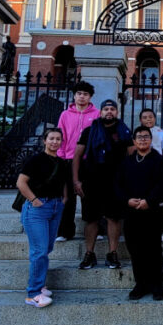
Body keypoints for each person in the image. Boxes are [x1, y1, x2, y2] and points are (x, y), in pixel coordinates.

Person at [73, 98, 133, 270]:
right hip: (91, 180)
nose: (109, 112)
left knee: (114, 218)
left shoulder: (124, 132)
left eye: (112, 109)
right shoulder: (89, 131)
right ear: (100, 112)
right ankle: (89, 253)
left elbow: (131, 157)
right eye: (106, 109)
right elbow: (77, 156)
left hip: (116, 182)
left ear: (117, 112)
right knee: (91, 218)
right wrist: (76, 180)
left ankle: (112, 253)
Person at [116, 125, 163, 301]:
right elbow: (117, 185)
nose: (142, 140)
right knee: (135, 248)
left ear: (150, 139)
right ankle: (141, 284)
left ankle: (157, 285)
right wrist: (127, 200)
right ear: (134, 141)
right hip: (132, 212)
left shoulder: (158, 161)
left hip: (153, 212)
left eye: (146, 137)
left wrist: (149, 201)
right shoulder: (127, 162)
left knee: (153, 248)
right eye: (139, 137)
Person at [16, 127, 71, 308]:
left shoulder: (61, 163)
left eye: (58, 139)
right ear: (44, 141)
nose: (55, 142)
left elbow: (63, 182)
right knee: (39, 250)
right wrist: (34, 200)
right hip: (37, 209)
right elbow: (21, 182)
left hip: (55, 206)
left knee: (47, 247)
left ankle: (40, 284)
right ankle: (33, 293)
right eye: (51, 139)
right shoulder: (35, 160)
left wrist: (63, 199)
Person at [55, 81, 98, 242]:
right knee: (68, 197)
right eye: (79, 93)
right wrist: (61, 155)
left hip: (88, 162)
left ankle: (97, 228)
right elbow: (61, 136)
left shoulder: (96, 114)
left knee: (91, 196)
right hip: (68, 159)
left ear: (90, 97)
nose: (82, 97)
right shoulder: (65, 115)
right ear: (74, 95)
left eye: (85, 94)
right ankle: (65, 231)